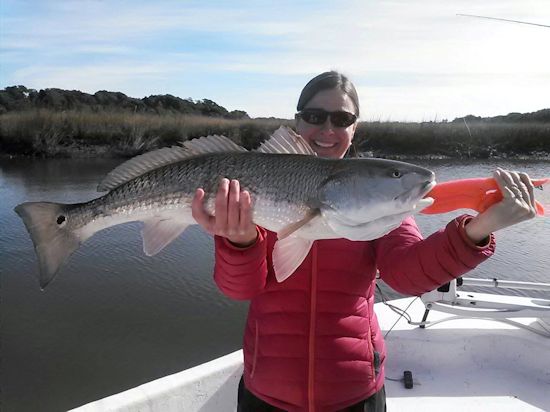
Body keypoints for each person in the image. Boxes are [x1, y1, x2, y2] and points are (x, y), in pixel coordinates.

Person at [191, 71, 537, 411]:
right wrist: (240, 243)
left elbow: (406, 275)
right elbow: (240, 289)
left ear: (354, 128)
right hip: (266, 391)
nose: (328, 130)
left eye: (341, 119)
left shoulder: (382, 209)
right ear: (297, 122)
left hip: (355, 393)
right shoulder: (257, 192)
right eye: (314, 117)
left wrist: (477, 230)